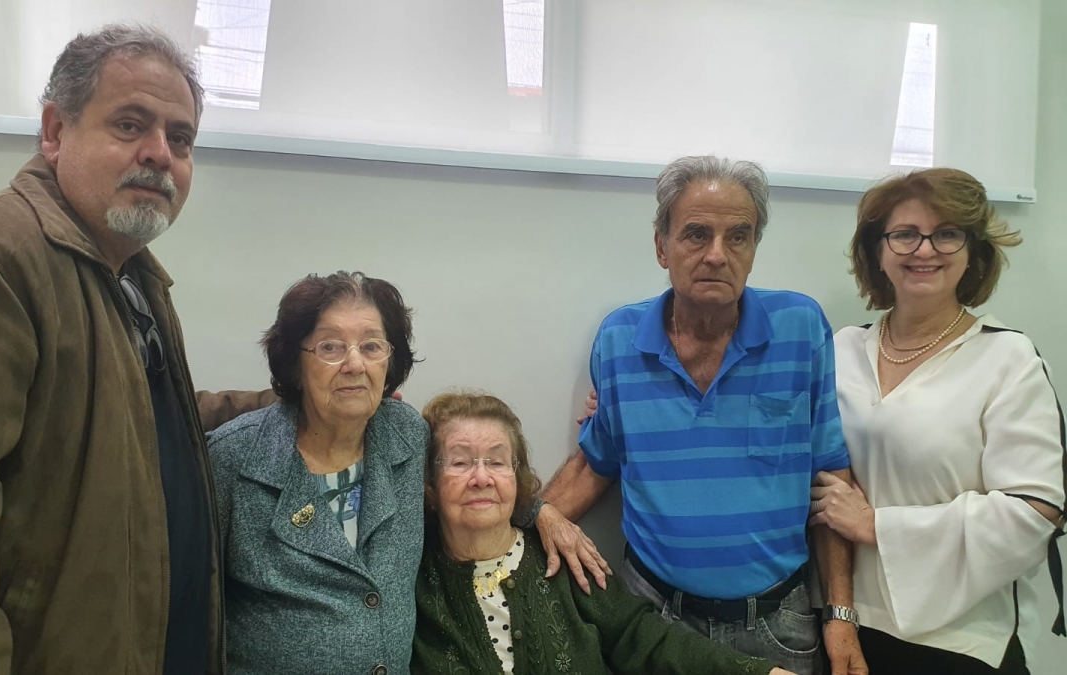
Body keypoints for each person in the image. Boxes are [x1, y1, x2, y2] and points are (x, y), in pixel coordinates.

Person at [0, 24, 238, 674]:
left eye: (180, 139)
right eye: (130, 125)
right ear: (55, 131)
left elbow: (124, 424)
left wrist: (287, 400)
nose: (159, 154)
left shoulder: (132, 276)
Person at [544, 156, 866, 675]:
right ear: (661, 246)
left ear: (754, 249)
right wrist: (524, 522)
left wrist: (840, 616)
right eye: (696, 234)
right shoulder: (620, 338)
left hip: (776, 625)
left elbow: (830, 480)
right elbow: (594, 463)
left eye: (738, 237)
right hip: (652, 622)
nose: (717, 255)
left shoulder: (800, 327)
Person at [207, 271, 608, 674]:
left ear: (390, 360)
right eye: (330, 346)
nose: (354, 364)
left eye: (371, 346)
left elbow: (464, 477)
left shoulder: (406, 434)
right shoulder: (235, 458)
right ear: (296, 362)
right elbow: (192, 594)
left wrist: (540, 512)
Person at [810, 167, 1066, 674]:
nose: (924, 250)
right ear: (877, 251)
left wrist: (879, 525)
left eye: (946, 234)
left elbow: (1037, 513)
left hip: (961, 641)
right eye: (905, 234)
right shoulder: (839, 349)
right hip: (844, 624)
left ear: (973, 252)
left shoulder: (1009, 359)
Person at [413, 391, 800, 675]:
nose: (481, 478)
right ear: (429, 484)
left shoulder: (562, 556)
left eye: (497, 462)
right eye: (460, 463)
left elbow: (645, 638)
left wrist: (757, 672)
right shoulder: (408, 577)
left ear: (517, 477)